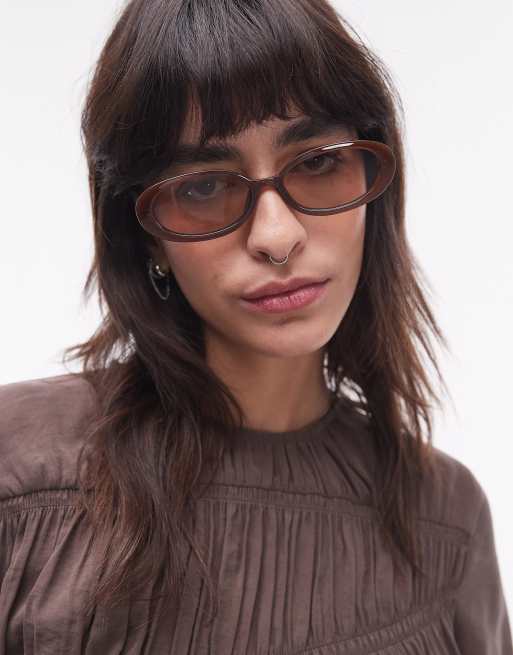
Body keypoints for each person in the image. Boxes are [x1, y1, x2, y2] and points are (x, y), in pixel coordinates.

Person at [0, 0, 511, 653]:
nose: (276, 236)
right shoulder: (21, 477)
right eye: (203, 187)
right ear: (146, 235)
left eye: (317, 163)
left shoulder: (443, 522)